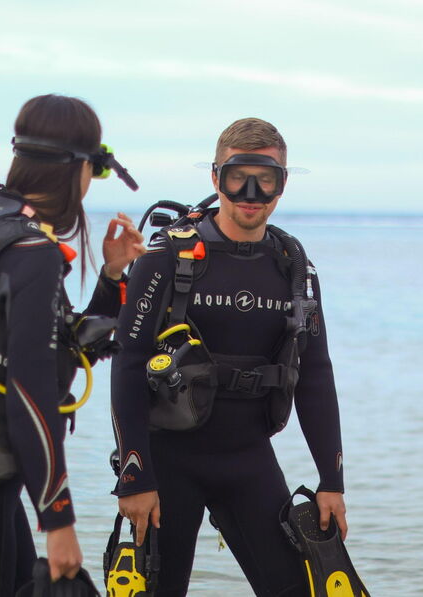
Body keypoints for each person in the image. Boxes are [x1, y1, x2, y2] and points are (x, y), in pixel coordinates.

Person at [0, 93, 146, 596]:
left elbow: (59, 351)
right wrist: (58, 521)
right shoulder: (32, 253)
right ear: (78, 167)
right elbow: (31, 395)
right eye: (96, 169)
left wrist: (111, 276)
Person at [111, 117, 347, 597]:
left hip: (249, 460)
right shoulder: (164, 260)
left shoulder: (295, 270)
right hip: (167, 463)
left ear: (283, 184)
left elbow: (315, 375)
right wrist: (134, 476)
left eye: (267, 179)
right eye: (239, 177)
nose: (251, 193)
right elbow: (128, 364)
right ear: (216, 177)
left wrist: (332, 481)